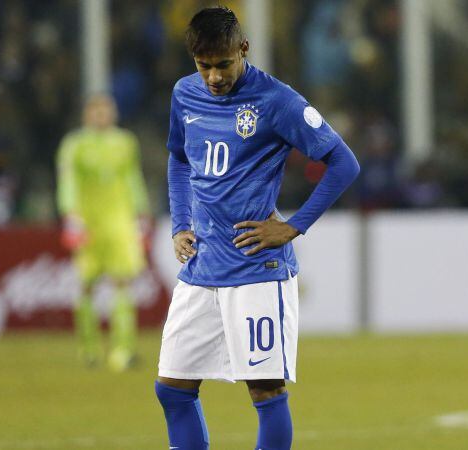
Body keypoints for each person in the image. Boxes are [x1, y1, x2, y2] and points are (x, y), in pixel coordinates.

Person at [154, 7, 360, 450]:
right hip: (202, 265)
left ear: (243, 49)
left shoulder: (277, 100)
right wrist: (181, 223)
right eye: (203, 65)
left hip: (256, 269)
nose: (213, 76)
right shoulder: (184, 94)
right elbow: (179, 158)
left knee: (264, 391)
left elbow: (344, 162)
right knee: (171, 388)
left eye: (223, 64)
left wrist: (294, 227)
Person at [56, 93, 150, 371]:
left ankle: (123, 350)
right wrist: (70, 214)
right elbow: (67, 181)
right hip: (89, 222)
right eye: (96, 111)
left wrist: (140, 212)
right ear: (87, 115)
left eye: (106, 111)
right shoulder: (74, 145)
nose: (102, 116)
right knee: (87, 284)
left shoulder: (125, 142)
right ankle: (90, 349)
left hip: (119, 222)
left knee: (123, 282)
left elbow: (133, 178)